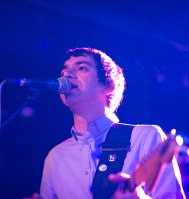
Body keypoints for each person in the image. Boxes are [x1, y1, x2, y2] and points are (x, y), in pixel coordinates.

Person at [40, 47, 186, 199]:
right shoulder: (56, 157)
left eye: (82, 68)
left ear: (108, 85)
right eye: (64, 72)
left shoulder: (145, 137)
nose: (67, 76)